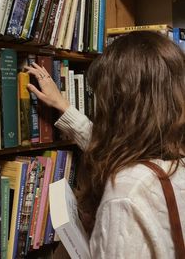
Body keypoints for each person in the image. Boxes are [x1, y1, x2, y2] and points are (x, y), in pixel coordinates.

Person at [26, 31, 185, 259]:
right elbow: (109, 147)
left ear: (118, 106)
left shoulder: (127, 189)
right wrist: (63, 105)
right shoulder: (175, 162)